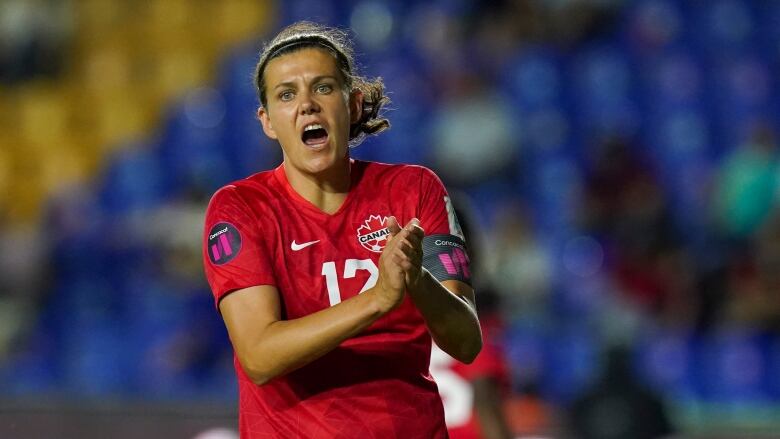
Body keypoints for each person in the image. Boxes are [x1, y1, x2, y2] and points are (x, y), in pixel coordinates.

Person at [202, 21, 482, 438]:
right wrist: (378, 298)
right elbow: (259, 355)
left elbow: (466, 342)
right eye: (286, 94)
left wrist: (417, 281)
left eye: (323, 88)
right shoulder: (240, 208)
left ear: (351, 104)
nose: (307, 105)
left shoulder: (414, 190)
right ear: (267, 121)